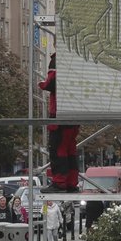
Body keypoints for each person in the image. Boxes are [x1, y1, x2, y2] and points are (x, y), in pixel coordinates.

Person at [39, 53, 80, 193]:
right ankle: (71, 183)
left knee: (58, 150)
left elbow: (52, 82)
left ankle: (60, 182)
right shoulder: (77, 59)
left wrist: (42, 84)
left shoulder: (58, 60)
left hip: (60, 114)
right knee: (70, 151)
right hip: (75, 115)